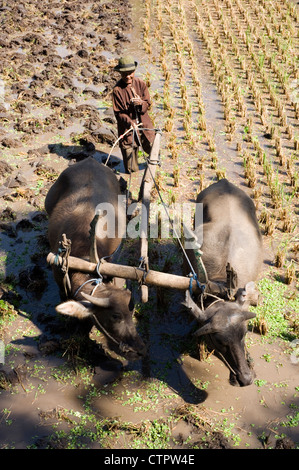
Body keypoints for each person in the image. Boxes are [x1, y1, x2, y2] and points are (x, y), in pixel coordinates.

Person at [112, 55, 155, 173]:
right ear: (120, 73)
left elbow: (148, 103)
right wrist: (130, 123)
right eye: (124, 73)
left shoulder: (141, 84)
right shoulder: (117, 90)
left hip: (144, 126)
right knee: (131, 168)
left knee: (154, 153)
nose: (128, 76)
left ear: (134, 71)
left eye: (130, 73)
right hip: (128, 130)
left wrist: (141, 103)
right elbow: (119, 113)